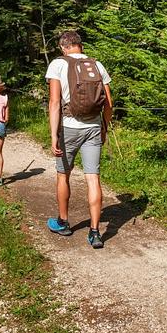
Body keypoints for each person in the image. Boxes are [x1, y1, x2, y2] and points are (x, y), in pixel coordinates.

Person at [45, 30, 113, 249]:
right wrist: (103, 127)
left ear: (63, 47)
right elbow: (109, 104)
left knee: (63, 174)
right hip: (93, 127)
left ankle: (63, 222)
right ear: (80, 45)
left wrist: (53, 135)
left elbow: (54, 102)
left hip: (68, 128)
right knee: (93, 178)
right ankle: (95, 232)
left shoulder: (58, 64)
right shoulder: (97, 65)